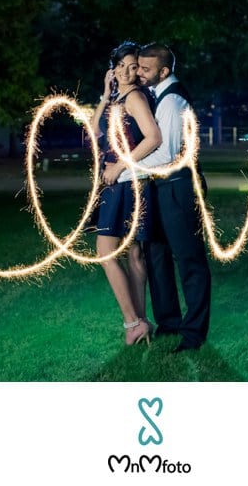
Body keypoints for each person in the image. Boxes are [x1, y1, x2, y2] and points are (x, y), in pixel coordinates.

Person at [133, 43, 211, 353]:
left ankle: (193, 334)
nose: (139, 72)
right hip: (158, 187)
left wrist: (124, 171)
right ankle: (169, 321)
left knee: (189, 259)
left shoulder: (173, 100)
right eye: (138, 66)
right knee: (156, 254)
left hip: (178, 185)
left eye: (146, 68)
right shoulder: (154, 96)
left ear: (164, 71)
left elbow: (167, 154)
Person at [90, 41, 161, 345]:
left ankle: (133, 321)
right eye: (124, 66)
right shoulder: (117, 97)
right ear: (114, 67)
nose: (130, 72)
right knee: (132, 253)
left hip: (126, 182)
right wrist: (105, 96)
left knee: (106, 252)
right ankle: (141, 321)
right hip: (122, 182)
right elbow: (93, 131)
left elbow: (153, 137)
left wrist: (119, 166)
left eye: (135, 66)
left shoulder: (134, 98)